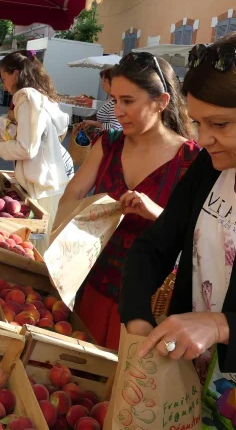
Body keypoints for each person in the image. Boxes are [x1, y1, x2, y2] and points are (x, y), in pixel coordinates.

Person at [119, 36, 236, 429]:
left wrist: (223, 325)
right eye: (199, 123)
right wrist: (137, 318)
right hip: (187, 378)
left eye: (220, 124)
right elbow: (157, 244)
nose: (203, 139)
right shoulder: (209, 168)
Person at [57, 52, 201, 351]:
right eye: (114, 99)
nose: (117, 110)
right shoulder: (108, 144)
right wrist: (62, 244)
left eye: (128, 101)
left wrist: (157, 214)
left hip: (148, 304)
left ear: (161, 102)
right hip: (91, 285)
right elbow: (71, 195)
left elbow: (197, 238)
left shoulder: (191, 161)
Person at [0, 50, 71, 254]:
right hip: (49, 181)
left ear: (16, 74)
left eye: (4, 77)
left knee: (41, 251)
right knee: (48, 245)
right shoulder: (39, 98)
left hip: (42, 183)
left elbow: (27, 148)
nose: (3, 83)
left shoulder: (27, 99)